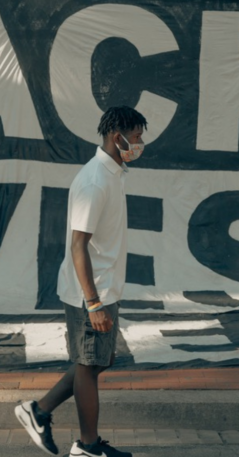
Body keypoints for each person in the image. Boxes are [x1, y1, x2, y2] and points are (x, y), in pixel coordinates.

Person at [15, 106, 146, 457]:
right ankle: (87, 448)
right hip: (90, 292)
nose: (139, 143)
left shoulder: (114, 174)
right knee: (89, 366)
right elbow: (77, 246)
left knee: (99, 361)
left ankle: (38, 411)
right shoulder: (94, 181)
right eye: (135, 137)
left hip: (104, 286)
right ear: (115, 135)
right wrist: (94, 302)